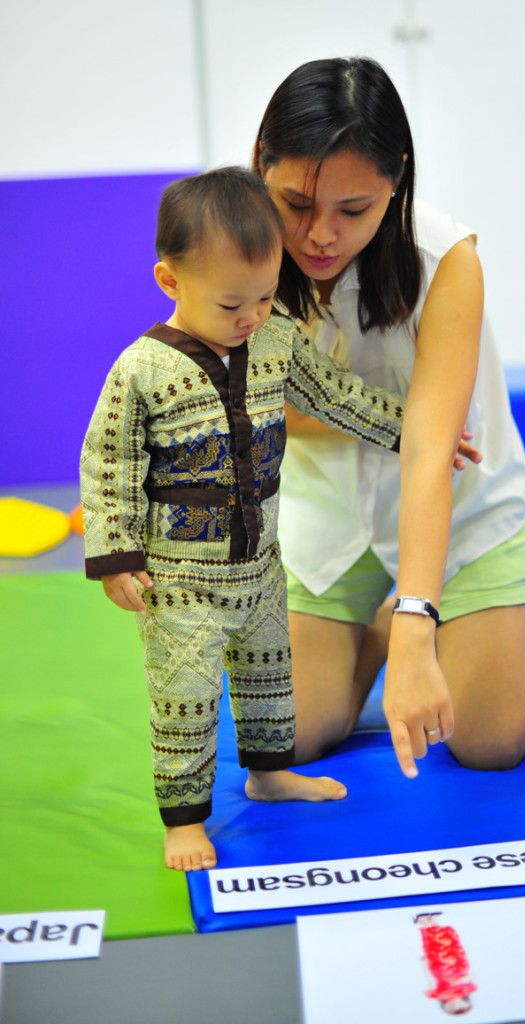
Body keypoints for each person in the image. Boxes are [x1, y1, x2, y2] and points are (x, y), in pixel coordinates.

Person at [80, 166, 411, 872]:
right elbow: (110, 463)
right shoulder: (140, 371)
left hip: (261, 563)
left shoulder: (274, 340)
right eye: (233, 303)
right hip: (180, 578)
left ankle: (267, 773)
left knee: (269, 678)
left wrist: (412, 429)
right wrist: (116, 553)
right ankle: (184, 818)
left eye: (264, 296)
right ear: (170, 281)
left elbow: (335, 395)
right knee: (186, 696)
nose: (252, 315)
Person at [254, 56, 525, 781]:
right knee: (283, 740)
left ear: (397, 178)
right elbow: (256, 414)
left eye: (353, 210)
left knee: (490, 741)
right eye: (295, 203)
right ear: (262, 166)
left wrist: (418, 623)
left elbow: (428, 454)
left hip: (459, 506)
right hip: (325, 507)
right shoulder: (237, 251)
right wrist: (389, 421)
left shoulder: (444, 258)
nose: (320, 235)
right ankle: (370, 633)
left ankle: (397, 622)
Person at [415, 912, 476, 1015]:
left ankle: (424, 923)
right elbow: (470, 976)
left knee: (433, 946)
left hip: (440, 968)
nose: (454, 1005)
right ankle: (434, 922)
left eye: (452, 1009)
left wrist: (424, 964)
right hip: (458, 965)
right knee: (449, 943)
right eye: (459, 1006)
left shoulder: (439, 994)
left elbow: (430, 980)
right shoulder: (466, 989)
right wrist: (460, 980)